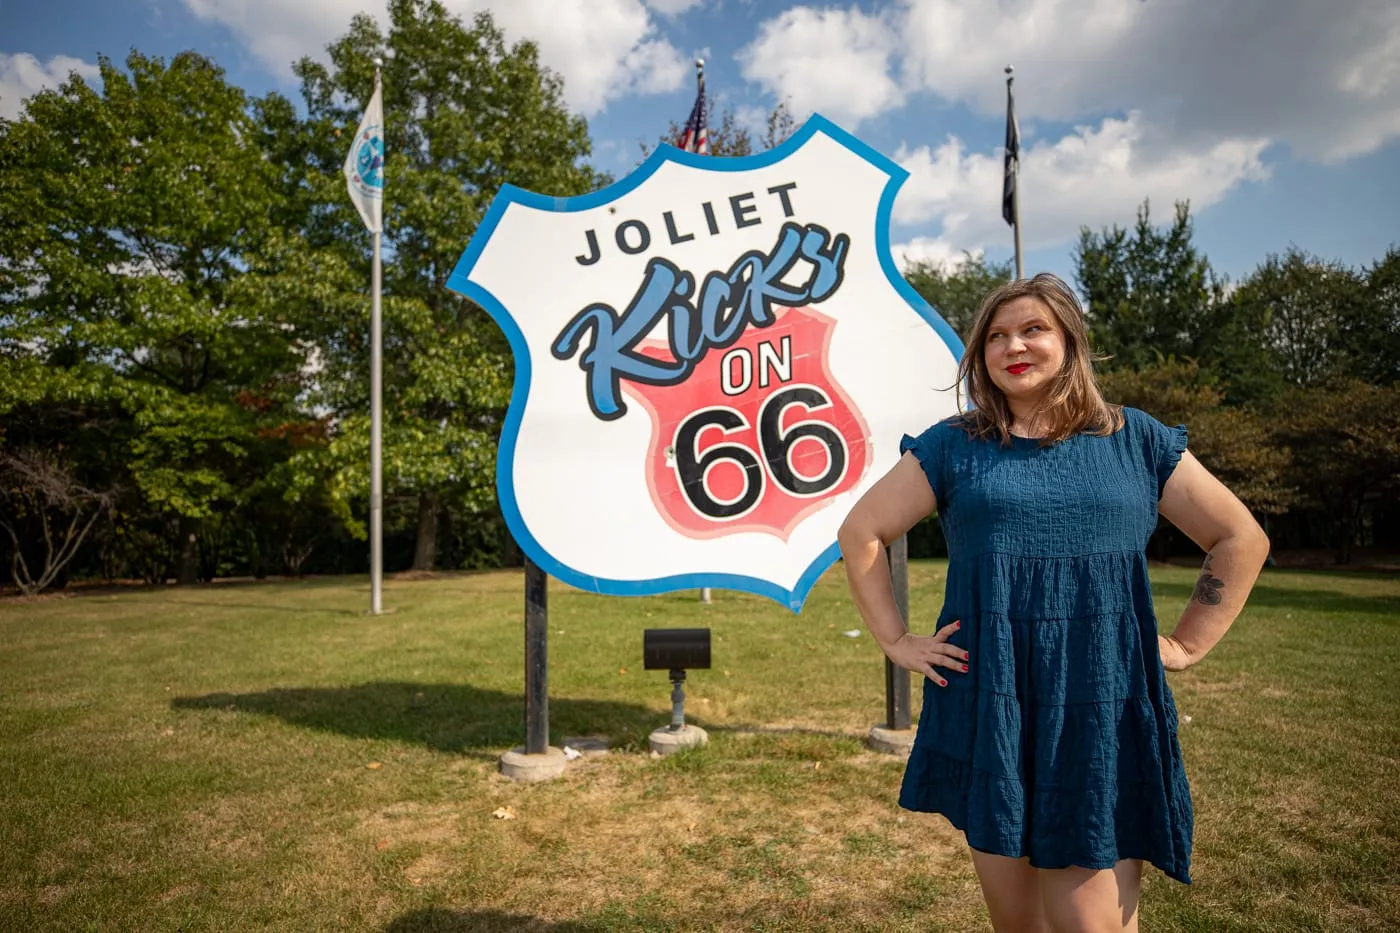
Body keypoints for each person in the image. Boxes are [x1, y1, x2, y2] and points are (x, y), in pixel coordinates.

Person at [837, 272, 1271, 933]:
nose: (1014, 344)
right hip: (992, 700)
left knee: (1089, 921)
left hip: (1101, 702)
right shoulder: (956, 445)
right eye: (996, 336)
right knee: (1019, 922)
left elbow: (1238, 537)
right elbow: (862, 531)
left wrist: (1184, 643)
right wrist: (896, 641)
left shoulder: (1136, 439)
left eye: (1033, 328)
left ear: (1069, 339)